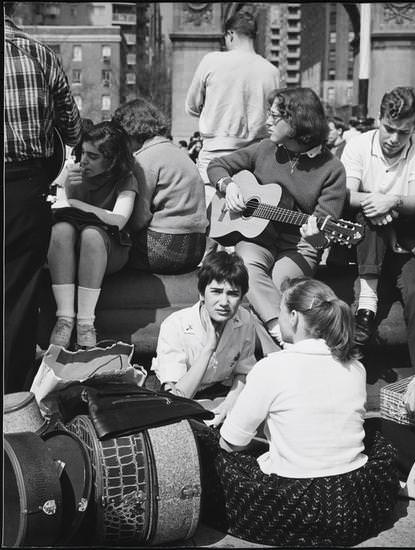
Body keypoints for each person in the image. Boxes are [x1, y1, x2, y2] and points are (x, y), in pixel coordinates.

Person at [194, 277, 399, 547]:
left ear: (292, 316)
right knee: (375, 435)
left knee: (209, 444)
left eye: (279, 310)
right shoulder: (355, 366)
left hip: (299, 507)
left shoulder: (271, 367)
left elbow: (231, 444)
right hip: (354, 502)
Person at [207, 87, 346, 348]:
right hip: (257, 238)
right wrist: (229, 186)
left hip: (299, 244)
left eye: (274, 116)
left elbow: (323, 238)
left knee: (281, 287)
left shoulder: (332, 169)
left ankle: (274, 353)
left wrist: (316, 238)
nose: (267, 122)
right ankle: (283, 339)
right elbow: (217, 165)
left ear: (296, 122)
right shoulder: (265, 148)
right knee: (246, 270)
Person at [4, 2, 81, 392]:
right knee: (18, 295)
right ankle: (11, 397)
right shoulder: (38, 53)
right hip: (23, 186)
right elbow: (71, 128)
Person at [341, 86, 415, 373]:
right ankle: (366, 307)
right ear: (378, 118)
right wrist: (378, 202)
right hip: (363, 236)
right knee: (369, 213)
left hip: (407, 239)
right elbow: (346, 195)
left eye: (404, 132)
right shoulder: (358, 144)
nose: (394, 139)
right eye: (389, 128)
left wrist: (391, 201)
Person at [48, 122, 138, 349]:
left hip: (108, 249)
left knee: (91, 234)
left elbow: (119, 221)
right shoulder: (76, 174)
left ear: (112, 160)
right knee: (61, 229)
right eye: (83, 153)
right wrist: (71, 190)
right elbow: (63, 208)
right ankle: (65, 318)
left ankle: (86, 323)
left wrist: (77, 203)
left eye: (93, 156)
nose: (84, 160)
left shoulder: (126, 179)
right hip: (73, 248)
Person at [152, 251, 256, 427]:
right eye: (216, 292)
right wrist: (209, 348)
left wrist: (228, 406)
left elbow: (244, 372)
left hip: (221, 390)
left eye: (233, 294)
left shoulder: (244, 319)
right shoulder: (175, 324)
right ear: (201, 293)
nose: (224, 302)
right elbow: (179, 397)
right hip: (181, 392)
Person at [185, 11, 280, 188]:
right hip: (253, 157)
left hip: (215, 154)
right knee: (248, 210)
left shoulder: (211, 61)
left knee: (211, 211)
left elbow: (191, 107)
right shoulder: (272, 72)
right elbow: (273, 118)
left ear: (230, 34)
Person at [112, 99, 208, 274]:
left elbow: (137, 219)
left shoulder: (144, 160)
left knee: (107, 247)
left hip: (165, 248)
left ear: (127, 132)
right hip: (197, 247)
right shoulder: (178, 153)